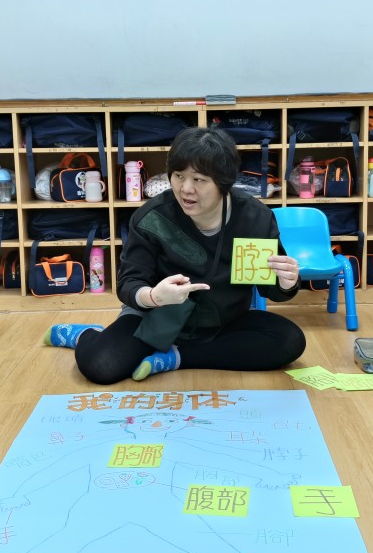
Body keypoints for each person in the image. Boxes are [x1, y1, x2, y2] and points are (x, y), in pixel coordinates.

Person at [45, 127, 306, 384]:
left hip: (225, 320)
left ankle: (176, 357)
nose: (186, 189)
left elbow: (270, 288)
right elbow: (128, 283)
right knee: (101, 365)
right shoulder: (152, 217)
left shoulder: (255, 217)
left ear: (223, 182)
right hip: (156, 317)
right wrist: (153, 297)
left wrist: (287, 283)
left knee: (290, 340)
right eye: (179, 176)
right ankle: (87, 335)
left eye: (199, 180)